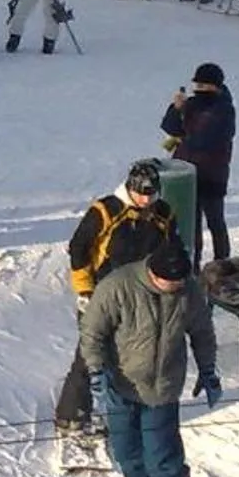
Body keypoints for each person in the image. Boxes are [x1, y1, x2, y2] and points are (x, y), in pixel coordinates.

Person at [80, 236, 212, 477]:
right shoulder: (118, 286)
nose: (175, 287)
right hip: (120, 382)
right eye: (169, 282)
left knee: (162, 453)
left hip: (163, 385)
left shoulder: (189, 290)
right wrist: (96, 371)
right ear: (153, 272)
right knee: (125, 447)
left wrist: (208, 368)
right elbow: (92, 332)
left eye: (180, 282)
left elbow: (202, 331)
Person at [52, 159, 195, 432]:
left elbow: (172, 249)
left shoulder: (163, 214)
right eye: (141, 193)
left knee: (133, 355)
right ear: (130, 188)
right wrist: (84, 289)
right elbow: (78, 248)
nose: (146, 200)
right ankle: (72, 413)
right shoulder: (106, 211)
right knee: (91, 352)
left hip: (142, 294)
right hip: (103, 293)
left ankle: (126, 411)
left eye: (151, 194)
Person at [162, 62, 238, 263]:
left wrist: (185, 137)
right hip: (187, 174)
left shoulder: (224, 109)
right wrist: (176, 108)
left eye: (204, 86)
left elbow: (209, 139)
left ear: (215, 86)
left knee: (215, 221)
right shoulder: (191, 104)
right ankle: (192, 264)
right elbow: (170, 127)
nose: (199, 89)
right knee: (190, 224)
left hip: (212, 174)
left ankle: (222, 263)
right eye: (197, 85)